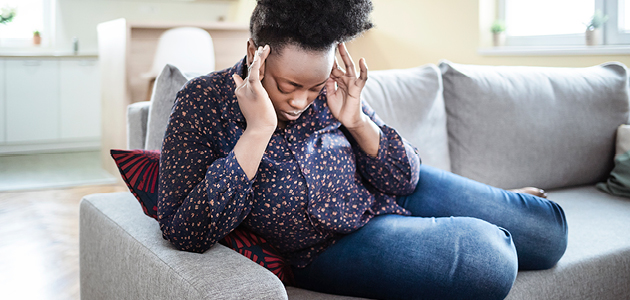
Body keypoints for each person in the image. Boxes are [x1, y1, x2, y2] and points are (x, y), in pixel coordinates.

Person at [157, 0, 568, 299]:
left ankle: (492, 207)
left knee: (550, 233)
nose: (302, 102)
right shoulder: (203, 103)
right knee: (488, 262)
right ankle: (481, 214)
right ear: (254, 53)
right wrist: (258, 131)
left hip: (389, 191)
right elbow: (183, 230)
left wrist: (355, 119)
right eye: (288, 86)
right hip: (332, 244)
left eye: (313, 87)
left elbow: (405, 176)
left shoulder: (332, 89)